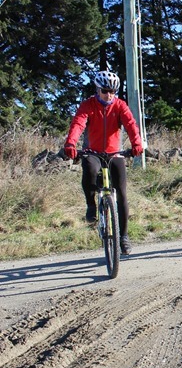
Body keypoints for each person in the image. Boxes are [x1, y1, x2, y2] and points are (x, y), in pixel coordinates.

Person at [63, 70, 144, 255]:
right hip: (93, 152)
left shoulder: (120, 105)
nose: (109, 95)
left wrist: (136, 144)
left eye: (113, 91)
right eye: (106, 90)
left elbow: (131, 124)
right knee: (89, 168)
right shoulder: (88, 105)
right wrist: (70, 144)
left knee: (122, 194)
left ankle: (123, 237)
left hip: (115, 153)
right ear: (98, 89)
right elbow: (78, 124)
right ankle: (91, 204)